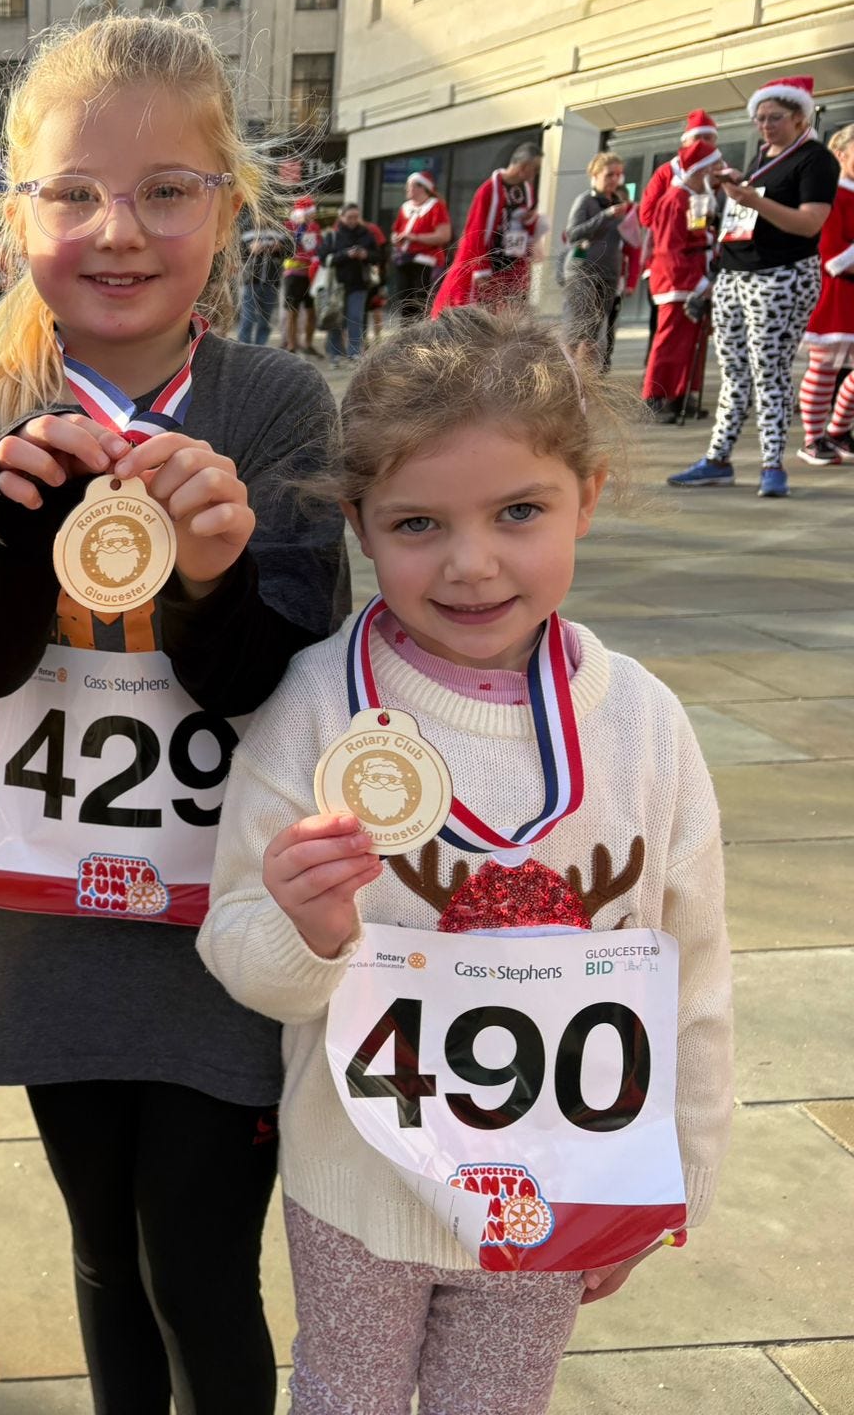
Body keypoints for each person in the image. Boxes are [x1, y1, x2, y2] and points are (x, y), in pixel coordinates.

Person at [0, 11, 348, 1414]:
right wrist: (10, 540)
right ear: (19, 214)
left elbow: (283, 674)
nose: (118, 231)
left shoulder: (275, 406)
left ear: (229, 206)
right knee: (104, 1258)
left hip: (222, 923)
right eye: (74, 194)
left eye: (167, 191)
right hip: (52, 926)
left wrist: (215, 577)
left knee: (200, 1273)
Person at [199, 307, 732, 1415]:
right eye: (418, 524)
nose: (471, 564)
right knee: (342, 1397)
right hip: (360, 1185)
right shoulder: (314, 707)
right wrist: (305, 935)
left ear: (586, 497)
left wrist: (671, 1175)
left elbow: (692, 974)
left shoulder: (643, 725)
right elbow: (236, 945)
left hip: (555, 1184)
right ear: (358, 524)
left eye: (519, 512)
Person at [669, 76, 839, 497]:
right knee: (733, 373)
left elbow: (810, 223)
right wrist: (729, 191)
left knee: (770, 372)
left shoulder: (815, 160)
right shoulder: (763, 155)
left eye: (775, 118)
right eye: (759, 119)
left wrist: (754, 200)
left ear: (800, 118)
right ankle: (718, 459)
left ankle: (772, 465)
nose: (765, 126)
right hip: (735, 273)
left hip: (780, 275)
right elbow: (743, 217)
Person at [641, 137, 722, 422]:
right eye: (715, 168)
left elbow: (697, 237)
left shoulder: (694, 198)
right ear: (701, 171)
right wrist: (699, 283)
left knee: (690, 342)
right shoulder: (675, 200)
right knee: (670, 341)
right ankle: (656, 397)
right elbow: (669, 249)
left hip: (692, 277)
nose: (719, 173)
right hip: (677, 282)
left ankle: (680, 396)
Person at [796, 124, 854, 465]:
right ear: (841, 155)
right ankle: (813, 438)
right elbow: (833, 257)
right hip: (835, 294)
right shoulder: (832, 196)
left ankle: (838, 430)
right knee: (823, 368)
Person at [432, 143, 542, 316]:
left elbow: (526, 227)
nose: (535, 174)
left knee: (505, 316)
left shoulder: (527, 192)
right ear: (523, 166)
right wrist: (480, 270)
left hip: (510, 265)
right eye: (534, 169)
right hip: (487, 262)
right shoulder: (488, 190)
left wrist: (531, 224)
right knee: (471, 311)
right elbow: (475, 232)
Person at [562, 153, 635, 370]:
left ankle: (586, 379)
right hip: (583, 268)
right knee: (578, 327)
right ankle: (566, 376)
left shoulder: (619, 203)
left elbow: (630, 241)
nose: (615, 179)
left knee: (594, 329)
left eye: (618, 175)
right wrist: (605, 216)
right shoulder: (586, 200)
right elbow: (573, 234)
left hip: (608, 271)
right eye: (609, 174)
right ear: (595, 175)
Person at [637, 109, 722, 261]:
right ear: (685, 142)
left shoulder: (722, 173)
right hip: (673, 253)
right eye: (697, 137)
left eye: (707, 138)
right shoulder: (666, 173)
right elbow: (646, 215)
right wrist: (682, 225)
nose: (701, 143)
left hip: (710, 254)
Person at [320, 200, 379, 361]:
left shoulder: (366, 234)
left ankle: (354, 352)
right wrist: (346, 254)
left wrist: (365, 255)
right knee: (335, 318)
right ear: (342, 217)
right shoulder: (333, 236)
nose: (353, 220)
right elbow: (323, 258)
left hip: (359, 283)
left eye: (356, 217)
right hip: (337, 284)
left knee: (355, 317)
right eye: (349, 217)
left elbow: (377, 256)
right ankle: (335, 353)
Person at [388, 172, 449, 324]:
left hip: (426, 263)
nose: (406, 189)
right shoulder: (405, 207)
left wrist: (415, 238)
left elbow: (444, 236)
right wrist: (396, 238)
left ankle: (421, 336)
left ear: (422, 188)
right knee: (405, 304)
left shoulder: (436, 206)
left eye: (410, 186)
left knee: (421, 304)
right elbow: (396, 231)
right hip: (404, 261)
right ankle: (406, 335)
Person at [238, 215, 289, 345]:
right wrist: (249, 250)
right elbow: (237, 255)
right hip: (250, 282)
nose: (263, 217)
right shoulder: (246, 231)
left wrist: (279, 249)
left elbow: (289, 253)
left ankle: (260, 346)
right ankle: (244, 346)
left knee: (265, 319)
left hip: (271, 283)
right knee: (248, 317)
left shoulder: (279, 232)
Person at [282, 196, 323, 354]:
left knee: (311, 310)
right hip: (293, 273)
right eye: (311, 212)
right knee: (292, 310)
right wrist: (301, 228)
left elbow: (318, 247)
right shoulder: (290, 226)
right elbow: (287, 246)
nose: (313, 215)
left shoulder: (315, 227)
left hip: (311, 274)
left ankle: (308, 344)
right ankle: (292, 344)